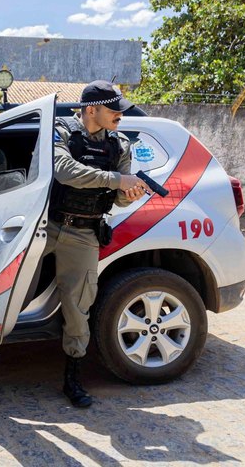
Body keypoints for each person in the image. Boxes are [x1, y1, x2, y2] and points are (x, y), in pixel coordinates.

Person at [44, 80, 149, 408]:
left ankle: (72, 378)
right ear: (92, 109)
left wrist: (128, 193)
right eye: (113, 109)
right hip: (42, 226)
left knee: (78, 307)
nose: (120, 115)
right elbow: (63, 171)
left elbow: (119, 200)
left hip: (84, 233)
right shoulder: (61, 131)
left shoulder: (119, 146)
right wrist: (118, 180)